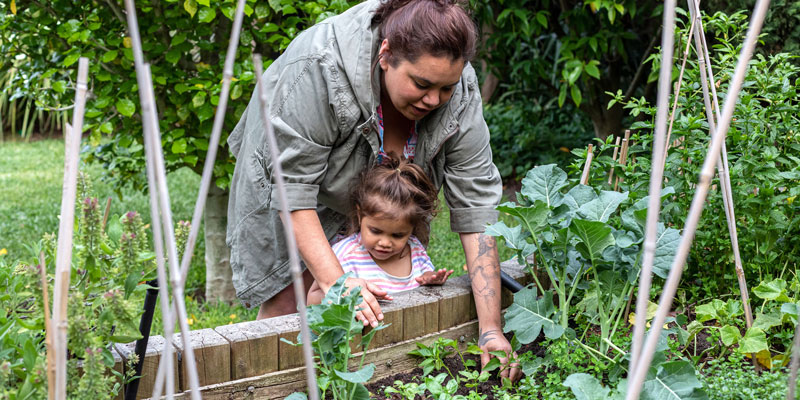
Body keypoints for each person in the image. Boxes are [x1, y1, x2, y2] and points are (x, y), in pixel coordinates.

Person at [226, 0, 520, 380]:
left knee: (382, 288)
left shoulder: (459, 89)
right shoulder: (320, 65)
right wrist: (335, 282)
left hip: (382, 191)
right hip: (299, 181)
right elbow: (292, 189)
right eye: (422, 84)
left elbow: (477, 206)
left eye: (445, 88)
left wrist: (491, 329)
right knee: (292, 297)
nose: (434, 100)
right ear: (386, 55)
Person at [307, 155, 454, 305]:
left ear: (412, 229)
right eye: (376, 231)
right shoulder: (346, 254)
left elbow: (423, 275)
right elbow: (312, 300)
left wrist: (429, 278)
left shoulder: (414, 249)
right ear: (360, 215)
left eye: (397, 235)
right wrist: (346, 297)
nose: (385, 242)